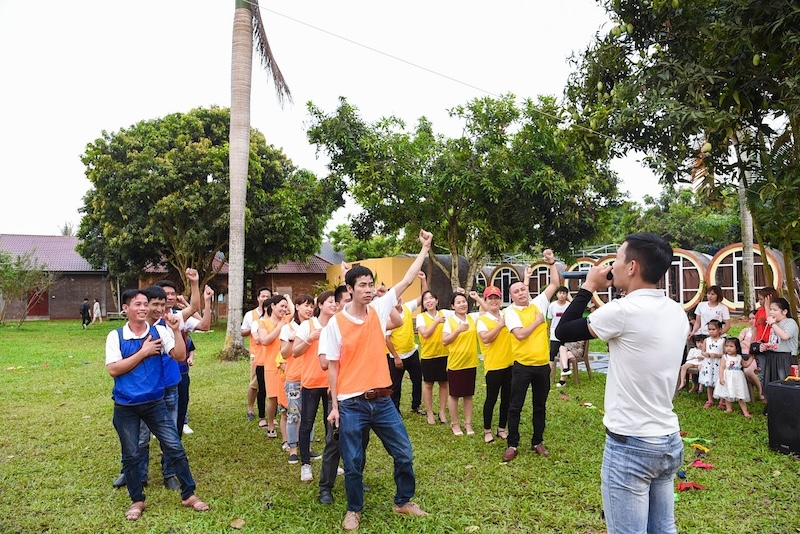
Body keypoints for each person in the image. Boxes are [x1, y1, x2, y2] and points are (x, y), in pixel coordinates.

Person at [555, 232, 689, 534]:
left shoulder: (623, 311)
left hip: (631, 443)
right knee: (663, 529)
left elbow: (563, 330)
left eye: (616, 259)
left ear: (631, 267)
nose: (611, 266)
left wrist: (589, 286)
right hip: (668, 438)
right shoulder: (677, 312)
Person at [325, 229, 432, 532]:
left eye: (371, 284)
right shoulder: (336, 323)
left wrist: (424, 249)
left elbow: (407, 280)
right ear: (350, 289)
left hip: (383, 400)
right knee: (354, 461)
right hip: (351, 403)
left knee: (404, 453)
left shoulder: (379, 309)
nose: (369, 290)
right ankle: (354, 509)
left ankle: (403, 501)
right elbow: (332, 367)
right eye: (362, 285)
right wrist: (334, 406)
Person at [105, 288, 208, 521]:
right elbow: (113, 369)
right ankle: (137, 500)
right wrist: (143, 352)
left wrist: (175, 330)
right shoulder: (116, 336)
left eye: (144, 304)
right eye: (137, 304)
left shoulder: (160, 330)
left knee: (175, 448)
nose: (142, 308)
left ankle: (188, 493)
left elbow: (179, 356)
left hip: (155, 403)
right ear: (126, 309)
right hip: (126, 406)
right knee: (131, 455)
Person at [501, 254, 561, 463]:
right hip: (522, 367)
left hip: (542, 366)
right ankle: (513, 443)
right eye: (516, 291)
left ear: (528, 289)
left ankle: (537, 441)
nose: (520, 293)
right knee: (515, 406)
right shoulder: (510, 312)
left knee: (540, 406)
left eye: (523, 289)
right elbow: (519, 334)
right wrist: (537, 322)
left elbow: (555, 283)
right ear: (512, 296)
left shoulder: (539, 303)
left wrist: (551, 262)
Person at [295, 291, 336, 482]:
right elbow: (295, 352)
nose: (334, 304)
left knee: (332, 425)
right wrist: (310, 338)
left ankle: (333, 463)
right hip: (311, 382)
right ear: (320, 304)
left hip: (332, 383)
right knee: (306, 424)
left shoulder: (337, 325)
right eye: (330, 301)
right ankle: (305, 465)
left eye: (336, 301)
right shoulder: (307, 325)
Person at [385, 272, 427, 415]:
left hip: (412, 352)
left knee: (417, 381)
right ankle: (395, 410)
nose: (397, 299)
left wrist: (423, 280)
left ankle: (416, 405)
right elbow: (387, 339)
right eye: (393, 297)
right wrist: (396, 357)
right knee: (395, 385)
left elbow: (424, 297)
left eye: (398, 296)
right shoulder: (387, 315)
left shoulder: (408, 307)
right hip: (396, 356)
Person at [476, 285, 513, 444]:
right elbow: (486, 338)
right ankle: (487, 430)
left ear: (500, 299)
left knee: (507, 399)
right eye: (490, 298)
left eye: (496, 298)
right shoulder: (482, 320)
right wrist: (500, 324)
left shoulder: (506, 314)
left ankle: (502, 428)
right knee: (491, 399)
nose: (493, 301)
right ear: (485, 300)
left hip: (510, 363)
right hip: (493, 366)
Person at [281, 294, 315, 464]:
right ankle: (293, 448)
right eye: (305, 305)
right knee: (294, 414)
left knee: (309, 414)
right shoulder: (288, 327)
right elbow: (284, 354)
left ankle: (307, 448)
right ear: (297, 307)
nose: (309, 309)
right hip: (294, 378)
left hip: (311, 377)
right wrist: (291, 339)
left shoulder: (314, 326)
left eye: (311, 306)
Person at [442, 292, 481, 436]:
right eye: (458, 302)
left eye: (464, 301)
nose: (462, 304)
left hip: (470, 363)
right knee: (454, 395)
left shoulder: (472, 318)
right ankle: (455, 424)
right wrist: (457, 330)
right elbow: (445, 341)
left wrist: (477, 298)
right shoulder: (450, 321)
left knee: (468, 395)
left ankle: (468, 424)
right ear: (453, 306)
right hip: (456, 364)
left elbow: (486, 310)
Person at [253, 295, 291, 437]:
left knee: (286, 397)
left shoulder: (288, 321)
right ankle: (270, 424)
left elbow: (295, 310)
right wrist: (278, 327)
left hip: (286, 364)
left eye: (285, 306)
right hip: (270, 365)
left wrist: (288, 299)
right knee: (273, 398)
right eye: (281, 306)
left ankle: (287, 426)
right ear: (273, 306)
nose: (284, 309)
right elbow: (264, 340)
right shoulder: (264, 323)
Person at [415, 290, 452, 426]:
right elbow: (425, 334)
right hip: (428, 356)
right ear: (423, 303)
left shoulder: (445, 314)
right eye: (425, 299)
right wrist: (436, 321)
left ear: (437, 301)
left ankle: (442, 412)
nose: (429, 301)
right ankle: (430, 412)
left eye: (431, 298)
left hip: (444, 354)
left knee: (444, 384)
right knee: (428, 384)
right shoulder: (421, 317)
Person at [243, 287, 272, 421]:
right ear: (258, 298)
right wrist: (256, 328)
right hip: (257, 354)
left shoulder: (275, 315)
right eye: (263, 296)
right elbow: (242, 332)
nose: (265, 299)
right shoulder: (251, 315)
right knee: (255, 384)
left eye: (268, 296)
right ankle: (250, 408)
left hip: (271, 356)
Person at [762, 297, 799, 391]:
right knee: (772, 383)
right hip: (773, 356)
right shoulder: (774, 324)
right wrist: (767, 346)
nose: (771, 312)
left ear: (784, 311)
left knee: (785, 384)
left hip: (786, 357)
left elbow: (785, 336)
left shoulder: (790, 322)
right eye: (770, 310)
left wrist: (773, 324)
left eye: (775, 310)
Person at [714, 337, 752, 417]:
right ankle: (729, 408)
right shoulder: (725, 357)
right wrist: (721, 377)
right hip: (727, 377)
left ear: (737, 347)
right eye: (727, 346)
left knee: (740, 393)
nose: (728, 348)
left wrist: (752, 358)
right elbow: (721, 367)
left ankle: (745, 411)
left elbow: (745, 365)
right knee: (728, 393)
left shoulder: (739, 357)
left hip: (738, 378)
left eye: (731, 346)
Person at [546, 286, 571, 386]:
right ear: (557, 294)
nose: (562, 295)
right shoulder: (552, 306)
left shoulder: (569, 306)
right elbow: (550, 320)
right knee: (552, 355)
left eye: (564, 293)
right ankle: (546, 377)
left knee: (563, 355)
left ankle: (562, 379)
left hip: (566, 334)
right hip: (554, 334)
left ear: (566, 295)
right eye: (560, 293)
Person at [738, 311, 765, 401]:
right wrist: (748, 344)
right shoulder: (746, 330)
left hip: (753, 357)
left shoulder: (761, 332)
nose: (751, 320)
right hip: (741, 356)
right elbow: (737, 343)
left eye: (754, 318)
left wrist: (745, 343)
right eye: (750, 318)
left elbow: (754, 347)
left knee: (748, 371)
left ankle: (760, 391)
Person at [698, 319, 725, 409]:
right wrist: (706, 354)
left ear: (720, 330)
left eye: (714, 329)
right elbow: (703, 351)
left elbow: (725, 354)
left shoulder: (723, 341)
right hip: (709, 363)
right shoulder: (707, 340)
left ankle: (722, 401)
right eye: (709, 329)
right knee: (709, 381)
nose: (711, 331)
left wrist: (717, 355)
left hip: (719, 363)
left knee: (720, 381)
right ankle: (710, 399)